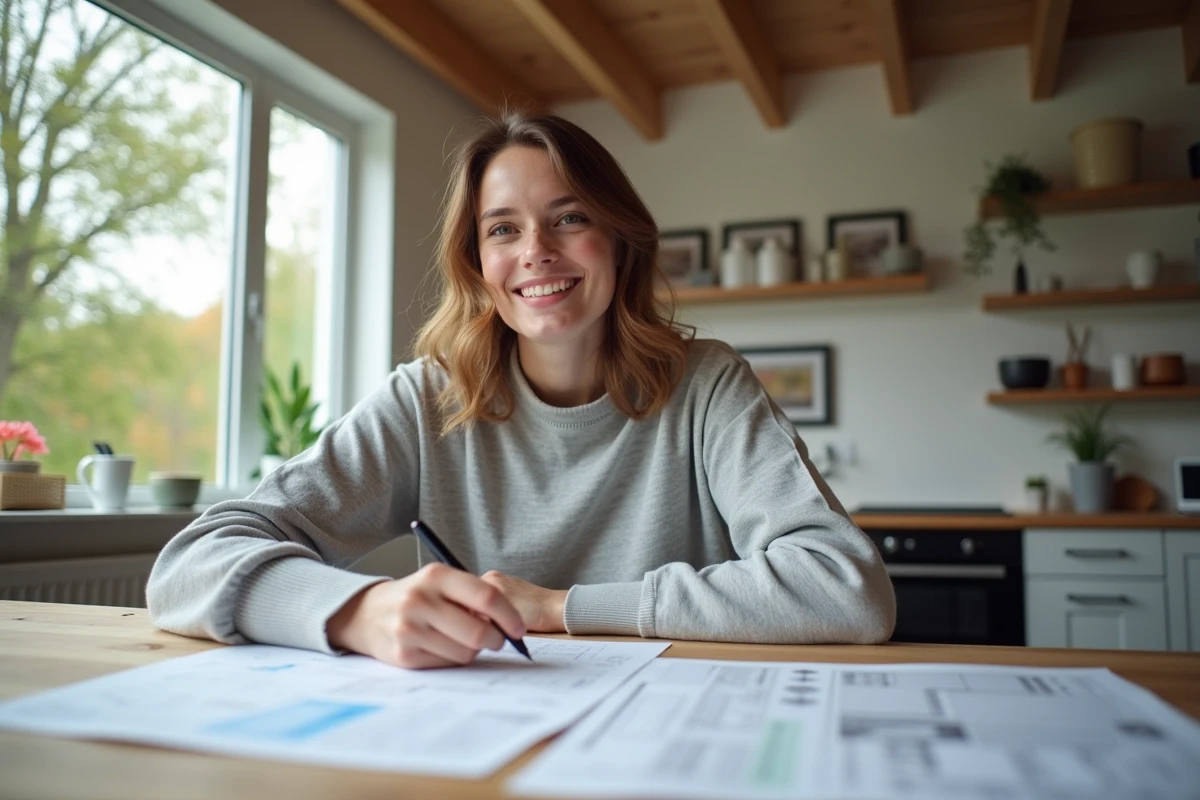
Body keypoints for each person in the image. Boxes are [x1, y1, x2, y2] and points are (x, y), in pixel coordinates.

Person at [147, 113, 895, 670]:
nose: (536, 250)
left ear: (621, 240)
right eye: (503, 229)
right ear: (477, 263)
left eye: (569, 218)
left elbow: (846, 589)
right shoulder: (426, 400)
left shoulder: (708, 385)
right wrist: (357, 610)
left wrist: (560, 608)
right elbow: (190, 564)